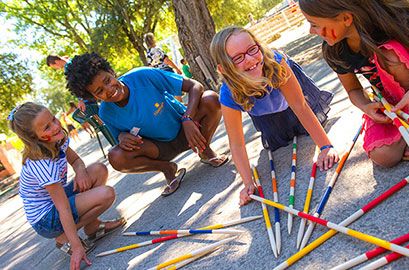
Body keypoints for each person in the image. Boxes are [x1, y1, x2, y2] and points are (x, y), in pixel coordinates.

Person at [299, 0, 409, 167]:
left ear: (346, 18)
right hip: (392, 104)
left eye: (314, 24)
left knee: (389, 56)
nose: (310, 31)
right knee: (384, 157)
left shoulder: (400, 21)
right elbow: (353, 89)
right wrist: (366, 107)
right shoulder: (334, 50)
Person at [65, 53, 228, 196]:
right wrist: (121, 137)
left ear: (112, 72)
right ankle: (167, 168)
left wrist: (188, 118)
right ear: (93, 97)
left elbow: (195, 86)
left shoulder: (142, 75)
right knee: (116, 156)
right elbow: (119, 143)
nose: (109, 89)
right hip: (159, 149)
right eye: (99, 91)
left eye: (107, 80)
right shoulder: (106, 113)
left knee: (211, 99)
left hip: (187, 130)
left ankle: (204, 150)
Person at [210, 26, 339, 206]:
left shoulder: (276, 63)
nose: (250, 59)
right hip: (264, 112)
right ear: (224, 69)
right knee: (279, 140)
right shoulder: (228, 94)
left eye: (252, 49)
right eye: (238, 58)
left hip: (292, 96)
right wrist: (248, 183)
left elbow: (300, 106)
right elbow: (237, 143)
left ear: (258, 46)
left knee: (305, 123)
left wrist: (325, 146)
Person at [8, 102, 125, 270]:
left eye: (54, 119)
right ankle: (64, 238)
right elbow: (62, 208)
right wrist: (76, 246)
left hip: (56, 202)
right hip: (45, 218)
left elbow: (76, 161)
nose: (56, 126)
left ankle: (93, 227)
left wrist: (81, 172)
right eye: (47, 127)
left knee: (98, 170)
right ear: (34, 137)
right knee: (106, 194)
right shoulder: (42, 163)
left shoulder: (58, 139)